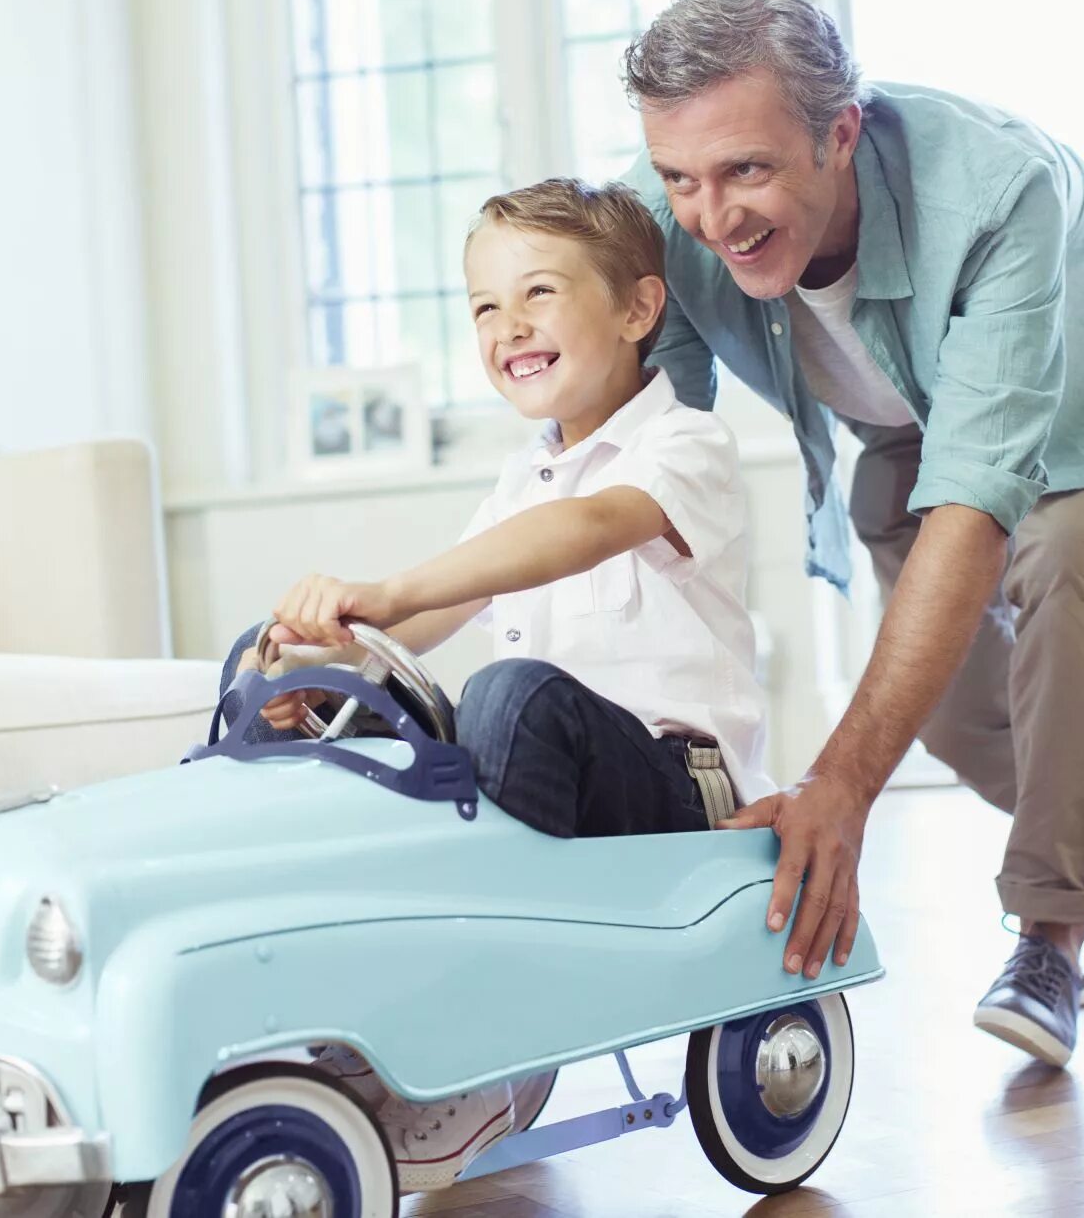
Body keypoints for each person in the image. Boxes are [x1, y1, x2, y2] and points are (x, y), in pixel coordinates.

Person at [620, 0, 1084, 1069]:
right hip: (914, 392)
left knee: (1062, 553)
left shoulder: (993, 196)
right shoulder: (663, 222)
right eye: (681, 177)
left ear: (837, 133)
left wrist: (836, 786)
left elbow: (971, 508)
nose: (711, 216)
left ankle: (1050, 936)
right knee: (953, 707)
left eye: (747, 171)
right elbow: (651, 453)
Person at [213, 176, 773, 1188]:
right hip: (559, 792)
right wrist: (312, 656)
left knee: (507, 694)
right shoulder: (519, 481)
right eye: (482, 306)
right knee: (386, 742)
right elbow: (420, 626)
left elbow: (579, 533)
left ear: (637, 310)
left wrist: (382, 588)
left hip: (674, 795)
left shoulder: (682, 444)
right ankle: (374, 1008)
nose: (506, 325)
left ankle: (492, 1049)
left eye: (538, 294)